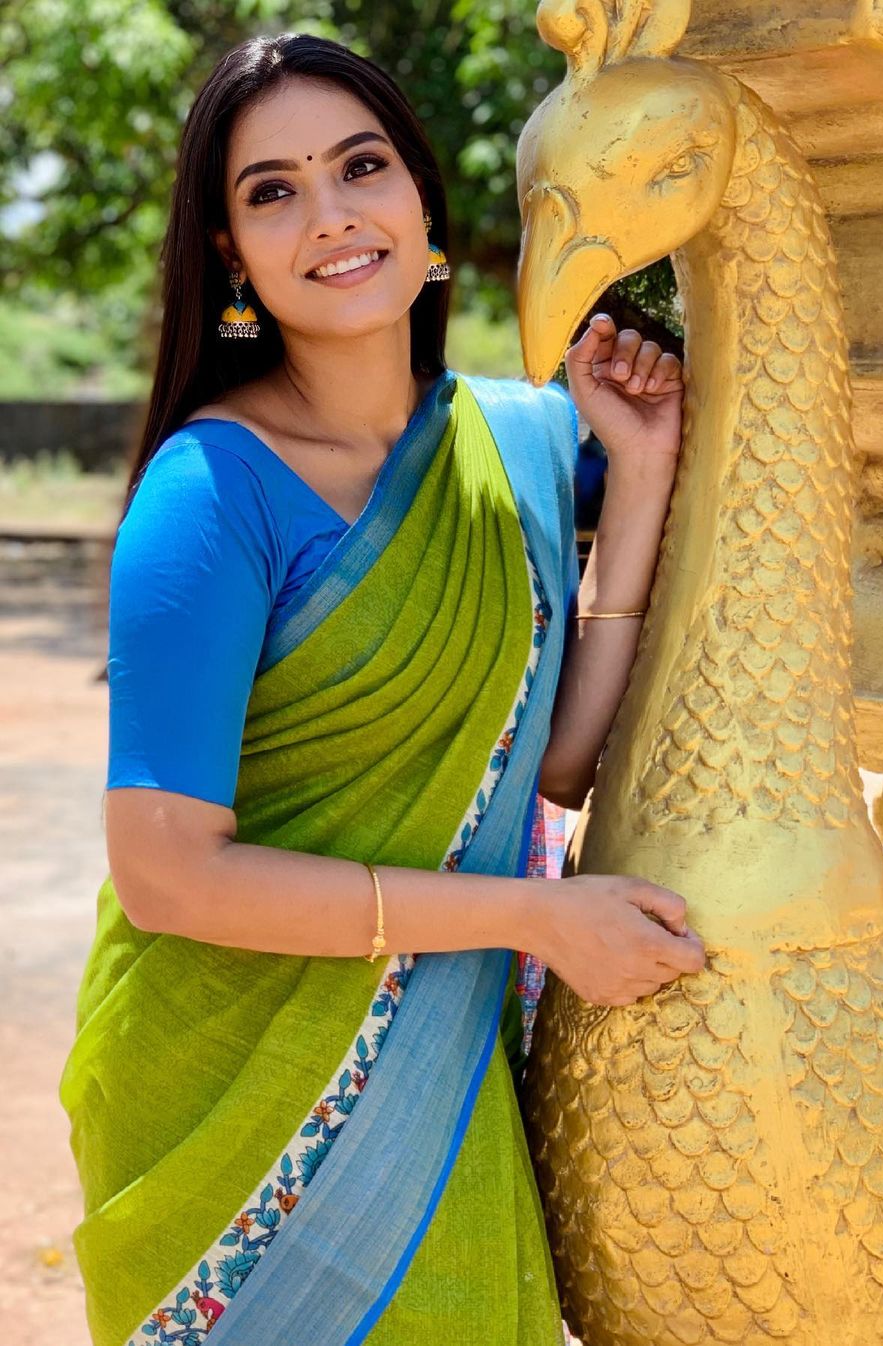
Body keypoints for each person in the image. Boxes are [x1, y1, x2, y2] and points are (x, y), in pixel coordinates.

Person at [58, 31, 705, 1346]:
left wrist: (636, 478)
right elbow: (171, 873)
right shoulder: (212, 495)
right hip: (229, 1110)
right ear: (232, 255)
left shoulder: (521, 438)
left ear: (424, 207)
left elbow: (558, 760)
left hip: (445, 1090)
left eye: (361, 167)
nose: (331, 213)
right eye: (272, 190)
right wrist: (533, 914)